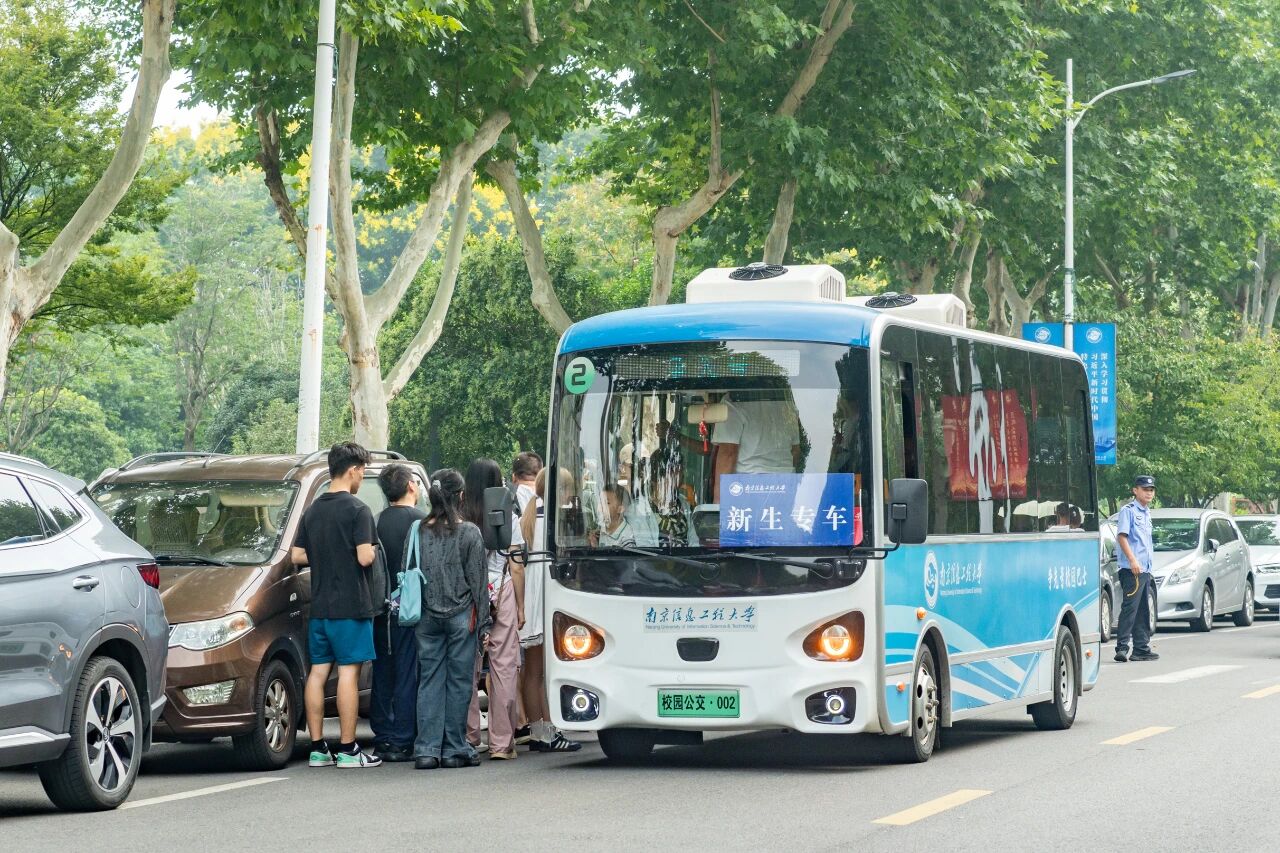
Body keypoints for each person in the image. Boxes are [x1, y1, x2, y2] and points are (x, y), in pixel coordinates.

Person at [291, 442, 382, 769]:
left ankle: (318, 749)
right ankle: (348, 749)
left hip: (320, 609)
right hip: (351, 608)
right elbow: (365, 556)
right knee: (348, 673)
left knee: (317, 673)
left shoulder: (313, 510)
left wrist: (325, 554)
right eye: (363, 472)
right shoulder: (358, 510)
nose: (362, 478)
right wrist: (371, 549)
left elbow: (297, 555)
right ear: (353, 470)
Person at [412, 468, 490, 769]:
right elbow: (478, 582)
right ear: (460, 496)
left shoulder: (418, 530)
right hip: (461, 615)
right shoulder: (469, 532)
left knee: (429, 679)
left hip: (425, 615)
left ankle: (427, 749)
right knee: (459, 682)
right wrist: (484, 624)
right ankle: (454, 748)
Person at [464, 459, 524, 761]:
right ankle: (501, 743)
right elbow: (517, 565)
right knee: (504, 666)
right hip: (502, 589)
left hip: (468, 594)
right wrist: (521, 606)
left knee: (468, 665)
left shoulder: (460, 517)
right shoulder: (508, 516)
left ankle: (468, 736)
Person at [517, 469, 581, 752]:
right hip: (552, 599)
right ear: (561, 491)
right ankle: (550, 731)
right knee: (548, 671)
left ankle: (539, 732)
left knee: (533, 672)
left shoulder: (528, 517)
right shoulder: (557, 523)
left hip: (532, 600)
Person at [369, 464, 426, 762]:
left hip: (380, 608)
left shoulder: (375, 522)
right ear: (411, 486)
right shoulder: (422, 521)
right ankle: (404, 738)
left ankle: (383, 737)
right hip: (412, 608)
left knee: (382, 672)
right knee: (408, 672)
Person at [711, 396, 802, 500]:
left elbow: (728, 454)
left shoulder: (733, 399)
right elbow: (795, 450)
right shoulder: (787, 402)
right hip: (785, 485)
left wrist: (718, 503)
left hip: (749, 487)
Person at [1115, 475, 1159, 663]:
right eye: (1145, 489)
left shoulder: (1147, 512)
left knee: (1142, 610)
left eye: (1151, 490)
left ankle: (1141, 648)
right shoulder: (1129, 511)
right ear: (1135, 490)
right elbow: (1122, 537)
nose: (1149, 493)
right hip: (1132, 570)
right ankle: (1122, 648)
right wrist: (1132, 560)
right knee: (1130, 608)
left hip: (1144, 569)